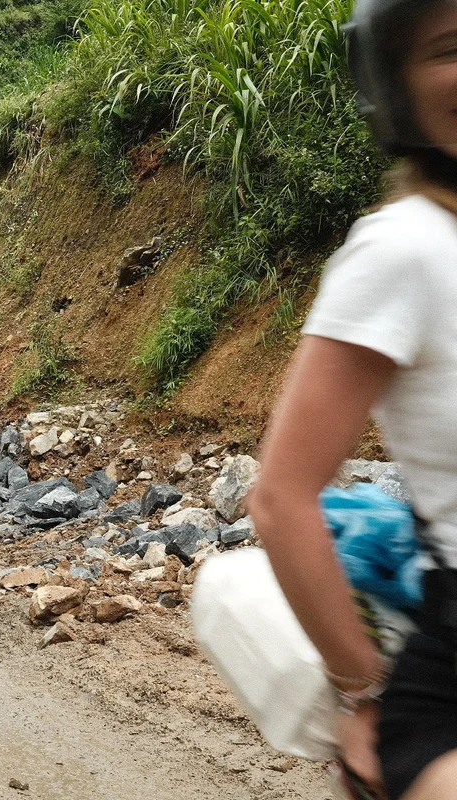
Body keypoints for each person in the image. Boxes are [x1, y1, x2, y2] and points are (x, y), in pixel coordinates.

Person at [248, 2, 457, 797]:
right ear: (397, 86)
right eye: (451, 47)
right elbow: (281, 497)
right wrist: (361, 690)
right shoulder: (405, 250)